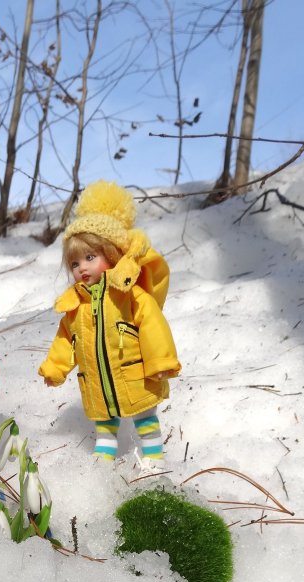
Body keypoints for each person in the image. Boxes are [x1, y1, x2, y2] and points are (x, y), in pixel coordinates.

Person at [38, 180, 180, 466]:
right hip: (97, 383)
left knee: (145, 418)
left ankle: (155, 460)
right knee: (104, 425)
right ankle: (101, 467)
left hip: (134, 375)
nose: (82, 268)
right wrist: (55, 367)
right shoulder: (75, 305)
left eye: (90, 257)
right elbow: (66, 340)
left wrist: (161, 362)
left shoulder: (129, 295)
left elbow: (153, 325)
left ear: (111, 254)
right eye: (75, 263)